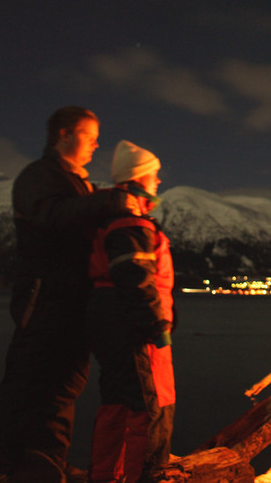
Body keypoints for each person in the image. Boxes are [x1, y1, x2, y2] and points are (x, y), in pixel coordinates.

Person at [0, 107, 132, 483]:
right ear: (64, 135)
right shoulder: (39, 177)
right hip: (44, 298)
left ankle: (46, 465)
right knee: (27, 382)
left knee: (64, 387)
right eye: (90, 135)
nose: (96, 143)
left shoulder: (78, 183)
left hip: (75, 301)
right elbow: (53, 215)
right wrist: (109, 202)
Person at [86, 140, 176, 483]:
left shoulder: (111, 221)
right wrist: (157, 326)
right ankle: (146, 477)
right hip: (133, 327)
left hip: (109, 321)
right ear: (139, 179)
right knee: (149, 408)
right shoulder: (131, 224)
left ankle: (107, 476)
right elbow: (137, 281)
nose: (158, 182)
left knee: (117, 405)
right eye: (154, 175)